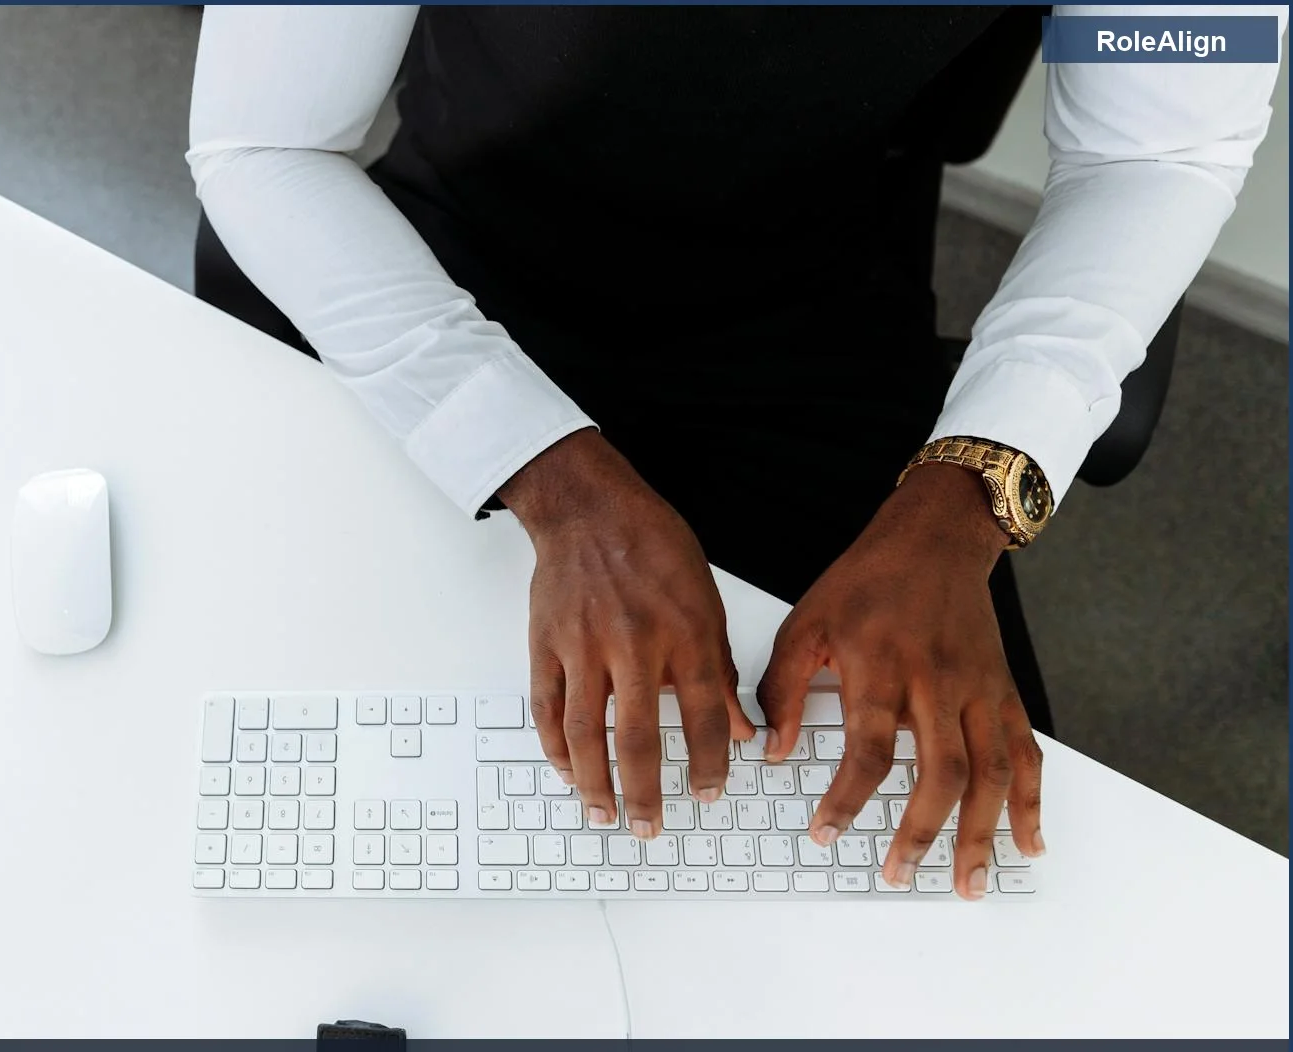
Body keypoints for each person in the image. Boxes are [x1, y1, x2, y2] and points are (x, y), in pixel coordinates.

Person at [185, 5, 1285, 899]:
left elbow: (1156, 151)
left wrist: (963, 498)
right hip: (454, 279)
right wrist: (550, 474)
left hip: (814, 322)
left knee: (926, 912)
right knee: (300, 815)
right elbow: (265, 145)